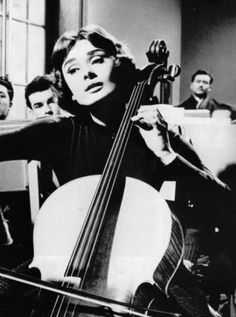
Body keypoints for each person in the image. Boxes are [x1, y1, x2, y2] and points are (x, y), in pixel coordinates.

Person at [0, 24, 234, 317]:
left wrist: (165, 153)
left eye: (97, 60)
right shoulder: (57, 132)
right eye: (72, 70)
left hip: (139, 268)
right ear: (66, 85)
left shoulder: (158, 134)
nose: (85, 73)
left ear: (120, 64)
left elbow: (225, 204)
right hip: (64, 263)